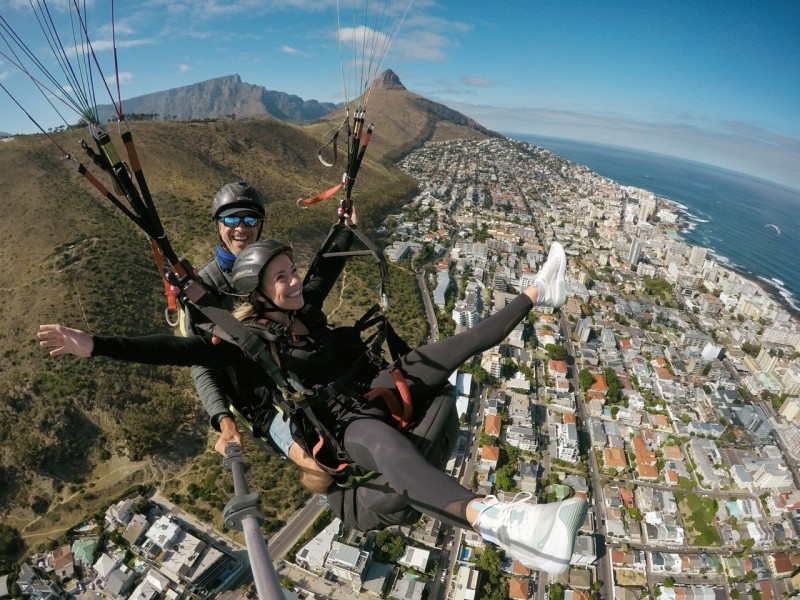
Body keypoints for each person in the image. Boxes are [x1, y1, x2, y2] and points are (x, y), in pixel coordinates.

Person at [39, 241, 588, 574]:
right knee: (385, 446)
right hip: (339, 427)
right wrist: (96, 345)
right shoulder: (246, 342)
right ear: (260, 290)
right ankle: (500, 520)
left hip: (367, 388)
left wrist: (345, 220)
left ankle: (538, 294)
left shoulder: (306, 312)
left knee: (447, 350)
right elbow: (174, 351)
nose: (295, 279)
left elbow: (327, 263)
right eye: (281, 276)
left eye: (292, 270)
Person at [188, 179, 334, 492]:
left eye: (249, 219)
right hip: (262, 403)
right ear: (218, 225)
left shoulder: (269, 267)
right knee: (320, 467)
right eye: (231, 219)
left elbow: (310, 292)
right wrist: (222, 418)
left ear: (260, 224)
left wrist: (343, 232)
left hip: (300, 375)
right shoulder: (204, 290)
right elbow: (202, 364)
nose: (241, 227)